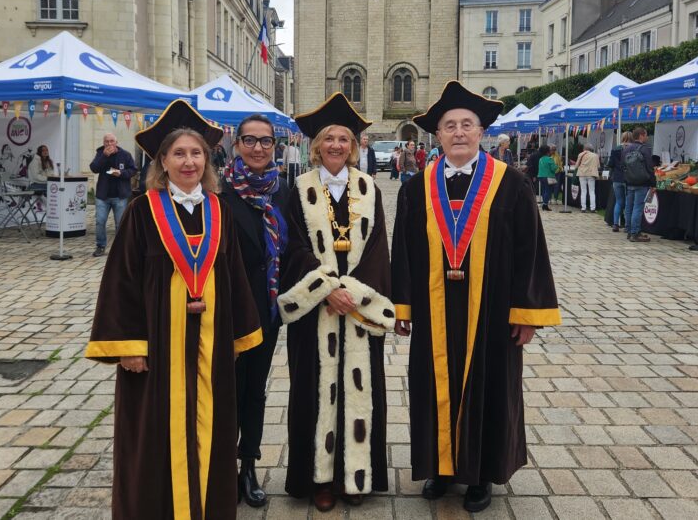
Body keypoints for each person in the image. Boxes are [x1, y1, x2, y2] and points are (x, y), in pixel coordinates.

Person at [85, 100, 262, 520]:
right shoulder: (142, 211)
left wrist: (237, 337)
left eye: (196, 152)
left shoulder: (219, 210)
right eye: (179, 153)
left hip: (210, 346)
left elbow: (234, 275)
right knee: (155, 436)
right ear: (162, 160)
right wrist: (130, 346)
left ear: (208, 158)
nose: (188, 161)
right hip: (157, 350)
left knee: (211, 431)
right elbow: (121, 282)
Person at [391, 81, 560, 513]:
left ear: (481, 131)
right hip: (433, 312)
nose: (459, 132)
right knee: (433, 388)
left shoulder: (512, 184)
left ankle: (481, 475)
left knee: (491, 388)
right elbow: (404, 252)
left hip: (493, 312)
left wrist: (527, 314)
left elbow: (530, 250)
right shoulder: (416, 188)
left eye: (467, 124)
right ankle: (440, 468)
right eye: (450, 126)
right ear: (438, 135)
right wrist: (403, 308)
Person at [277, 93, 395, 512]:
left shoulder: (369, 189)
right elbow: (290, 248)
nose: (336, 146)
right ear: (316, 146)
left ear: (354, 147)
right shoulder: (298, 189)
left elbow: (379, 248)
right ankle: (319, 479)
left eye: (344, 139)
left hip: (357, 308)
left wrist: (354, 296)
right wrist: (328, 290)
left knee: (360, 392)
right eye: (329, 138)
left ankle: (356, 477)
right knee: (314, 391)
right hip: (316, 311)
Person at [219, 114, 291, 508]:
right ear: (237, 144)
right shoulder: (221, 193)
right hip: (231, 308)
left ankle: (249, 464)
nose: (259, 148)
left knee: (256, 391)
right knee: (229, 387)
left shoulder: (283, 191)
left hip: (268, 308)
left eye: (266, 141)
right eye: (250, 140)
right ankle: (222, 465)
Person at [89, 133, 138, 257]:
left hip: (120, 195)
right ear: (104, 142)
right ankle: (100, 246)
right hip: (103, 195)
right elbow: (94, 168)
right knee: (100, 221)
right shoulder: (100, 153)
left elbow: (133, 170)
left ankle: (120, 248)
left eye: (112, 141)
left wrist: (121, 173)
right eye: (107, 141)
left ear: (116, 142)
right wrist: (104, 156)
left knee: (120, 223)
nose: (109, 144)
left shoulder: (125, 155)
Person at [623, 127, 656, 242]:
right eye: (646, 135)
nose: (647, 137)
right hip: (642, 183)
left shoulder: (626, 149)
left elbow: (624, 166)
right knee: (638, 208)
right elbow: (650, 168)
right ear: (641, 135)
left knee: (629, 207)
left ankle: (629, 230)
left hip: (630, 182)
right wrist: (653, 184)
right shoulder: (644, 149)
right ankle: (635, 233)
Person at [607, 133, 631, 233]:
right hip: (628, 178)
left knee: (618, 202)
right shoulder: (633, 149)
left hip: (617, 178)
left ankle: (615, 224)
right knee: (628, 203)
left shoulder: (615, 149)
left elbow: (610, 164)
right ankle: (627, 226)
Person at [575, 143, 600, 212]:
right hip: (591, 174)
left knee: (583, 191)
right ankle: (593, 208)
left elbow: (576, 165)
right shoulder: (595, 155)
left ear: (584, 148)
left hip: (582, 173)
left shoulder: (581, 154)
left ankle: (583, 208)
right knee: (592, 191)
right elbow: (598, 166)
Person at [537, 145, 558, 211]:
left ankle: (545, 204)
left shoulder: (541, 159)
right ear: (547, 151)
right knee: (548, 191)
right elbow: (553, 168)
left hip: (541, 176)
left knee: (544, 190)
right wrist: (557, 166)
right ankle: (545, 204)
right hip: (548, 176)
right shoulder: (550, 159)